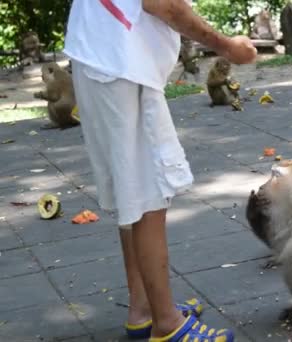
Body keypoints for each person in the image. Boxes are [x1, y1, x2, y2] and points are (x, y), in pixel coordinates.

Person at [63, 1, 257, 341]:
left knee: (132, 194)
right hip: (120, 65)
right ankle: (167, 326)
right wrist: (227, 46)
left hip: (101, 56)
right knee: (148, 196)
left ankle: (143, 309)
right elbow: (163, 4)